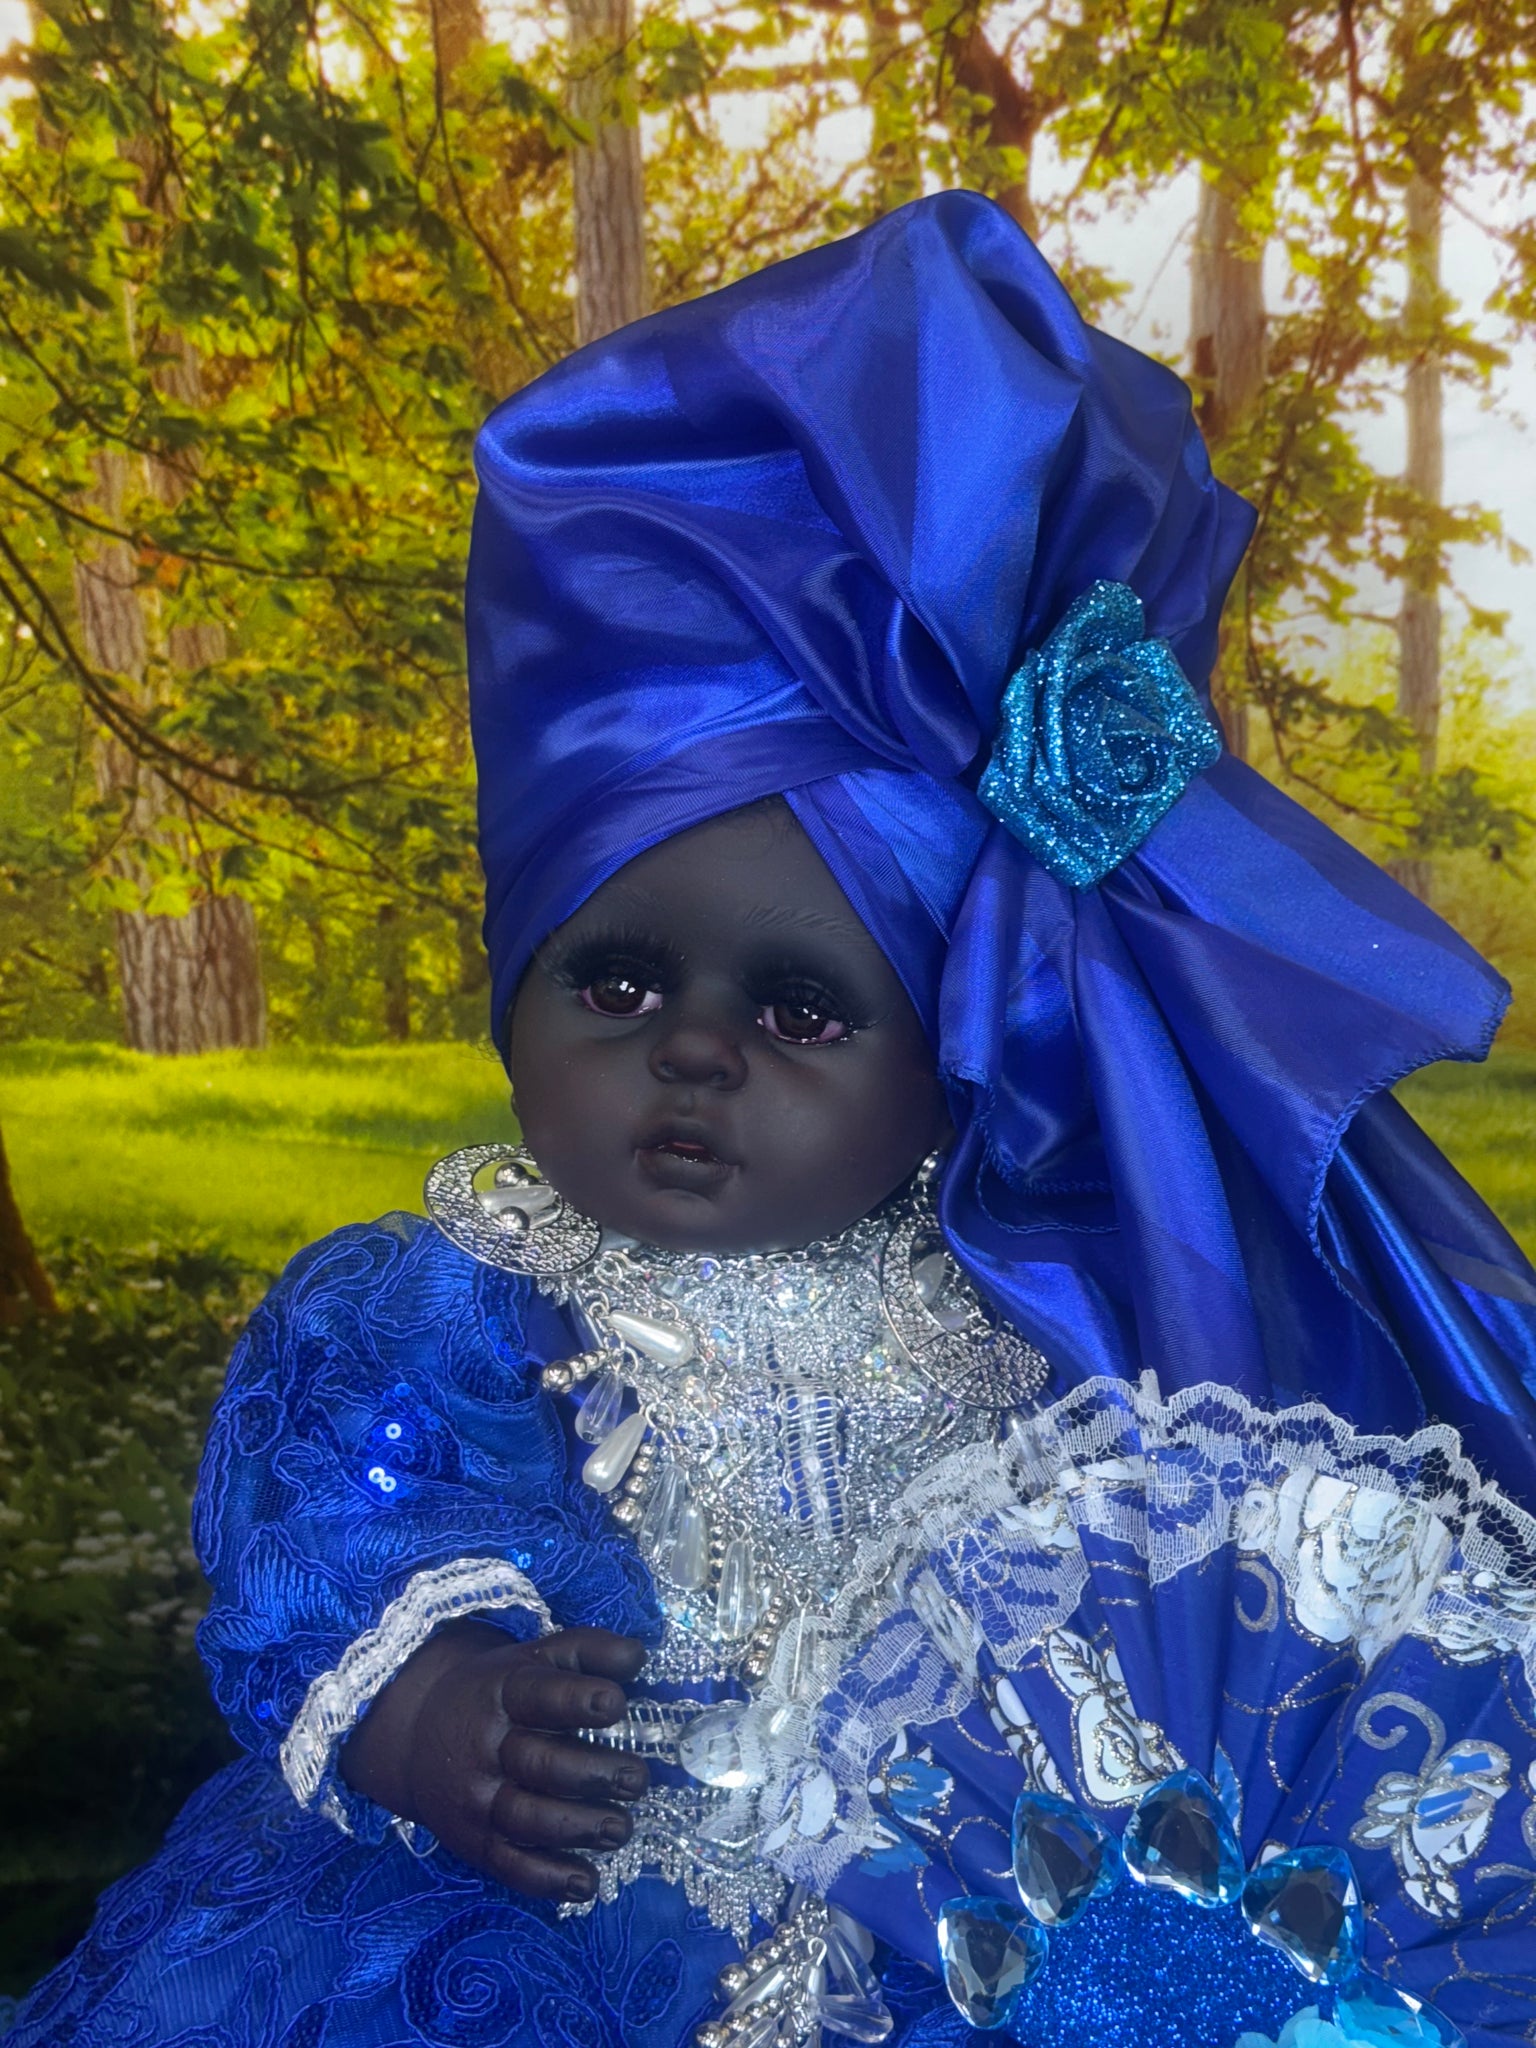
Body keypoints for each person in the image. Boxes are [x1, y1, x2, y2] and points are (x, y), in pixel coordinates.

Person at [7, 191, 1536, 2048]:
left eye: (802, 1012)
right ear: (515, 994)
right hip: (539, 1928)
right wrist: (436, 1715)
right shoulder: (450, 1302)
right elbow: (333, 1542)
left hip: (913, 1955)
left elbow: (1150, 1636)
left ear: (952, 1055)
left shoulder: (1022, 1321)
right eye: (616, 983)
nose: (695, 1054)